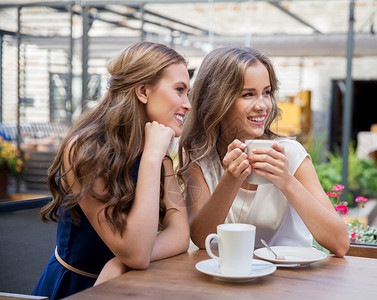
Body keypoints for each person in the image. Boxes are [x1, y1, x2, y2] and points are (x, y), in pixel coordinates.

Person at [33, 41, 191, 300]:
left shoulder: (155, 144)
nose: (188, 104)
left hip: (127, 284)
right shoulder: (84, 150)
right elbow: (137, 253)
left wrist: (119, 263)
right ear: (143, 91)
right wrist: (153, 158)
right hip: (78, 289)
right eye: (179, 90)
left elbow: (180, 235)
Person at [178, 46, 349, 257]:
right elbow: (202, 238)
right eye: (248, 94)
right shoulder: (200, 162)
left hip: (290, 280)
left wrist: (286, 181)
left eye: (266, 93)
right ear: (216, 100)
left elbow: (339, 243)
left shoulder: (290, 154)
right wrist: (230, 179)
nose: (263, 105)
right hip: (231, 278)